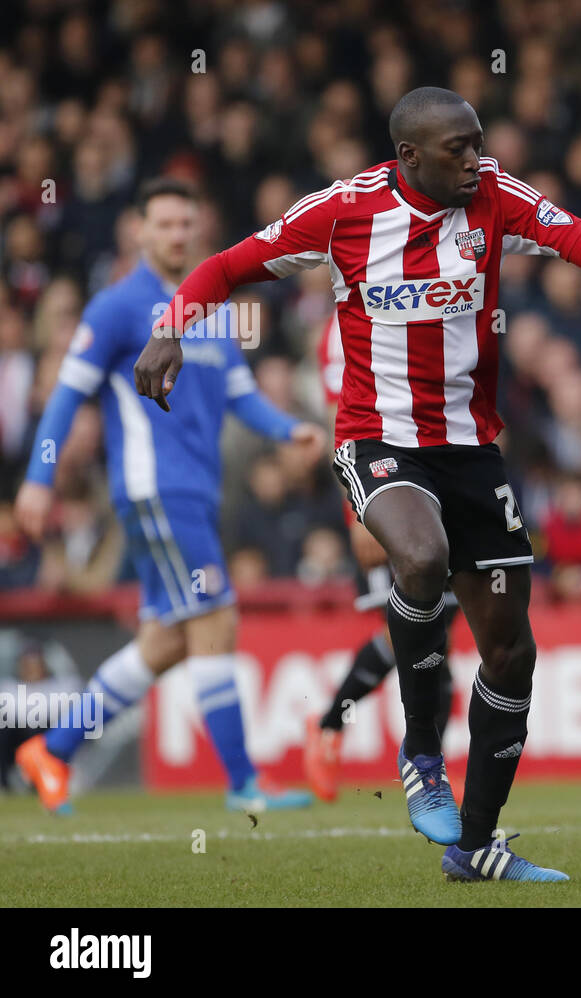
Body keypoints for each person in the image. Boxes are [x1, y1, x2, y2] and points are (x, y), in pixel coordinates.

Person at [134, 87, 581, 882]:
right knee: (420, 558)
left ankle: (477, 846)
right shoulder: (344, 211)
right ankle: (420, 753)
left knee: (511, 651)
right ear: (409, 156)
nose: (475, 160)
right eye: (458, 148)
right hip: (378, 440)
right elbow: (226, 265)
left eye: (479, 142)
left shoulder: (495, 195)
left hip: (473, 450)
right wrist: (171, 327)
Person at [13, 177, 322, 814]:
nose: (177, 235)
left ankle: (52, 750)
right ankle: (244, 783)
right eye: (165, 224)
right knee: (216, 617)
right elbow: (65, 397)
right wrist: (40, 478)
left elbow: (240, 398)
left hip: (198, 493)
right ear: (140, 231)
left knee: (169, 641)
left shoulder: (210, 307)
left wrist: (289, 429)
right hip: (156, 489)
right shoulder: (117, 308)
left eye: (187, 224)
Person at [302, 311, 458, 803]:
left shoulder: (437, 293)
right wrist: (357, 509)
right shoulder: (347, 320)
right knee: (408, 635)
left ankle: (431, 771)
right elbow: (338, 416)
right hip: (383, 486)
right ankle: (329, 726)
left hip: (441, 483)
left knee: (439, 644)